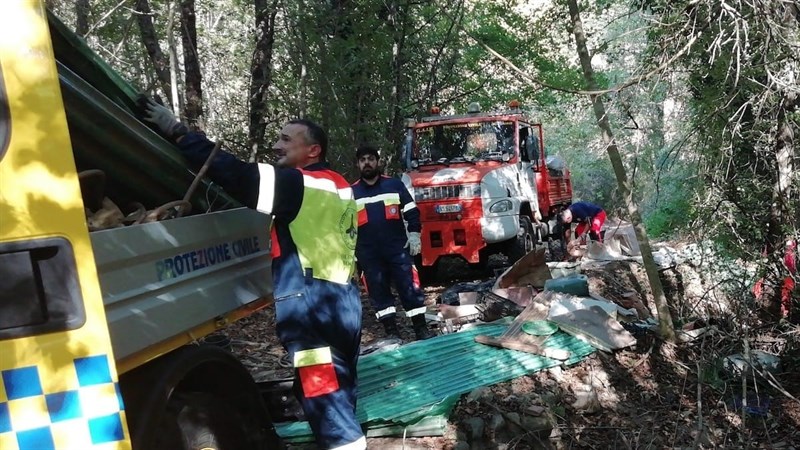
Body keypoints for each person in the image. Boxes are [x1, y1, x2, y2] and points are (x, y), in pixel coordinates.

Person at [143, 101, 365, 450]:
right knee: (339, 383)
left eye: (286, 139)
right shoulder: (341, 186)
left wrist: (180, 133)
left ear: (312, 150)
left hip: (310, 302)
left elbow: (238, 175)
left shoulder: (298, 184)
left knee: (321, 390)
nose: (277, 145)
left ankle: (346, 444)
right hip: (343, 300)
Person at [351, 145, 432, 341]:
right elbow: (344, 225)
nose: (367, 163)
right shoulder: (350, 192)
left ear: (378, 162)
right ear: (358, 165)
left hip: (397, 249)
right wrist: (351, 252)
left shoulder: (394, 185)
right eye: (363, 160)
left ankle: (421, 329)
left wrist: (414, 235)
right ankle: (392, 333)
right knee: (378, 293)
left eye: (371, 159)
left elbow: (412, 211)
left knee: (409, 287)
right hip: (368, 254)